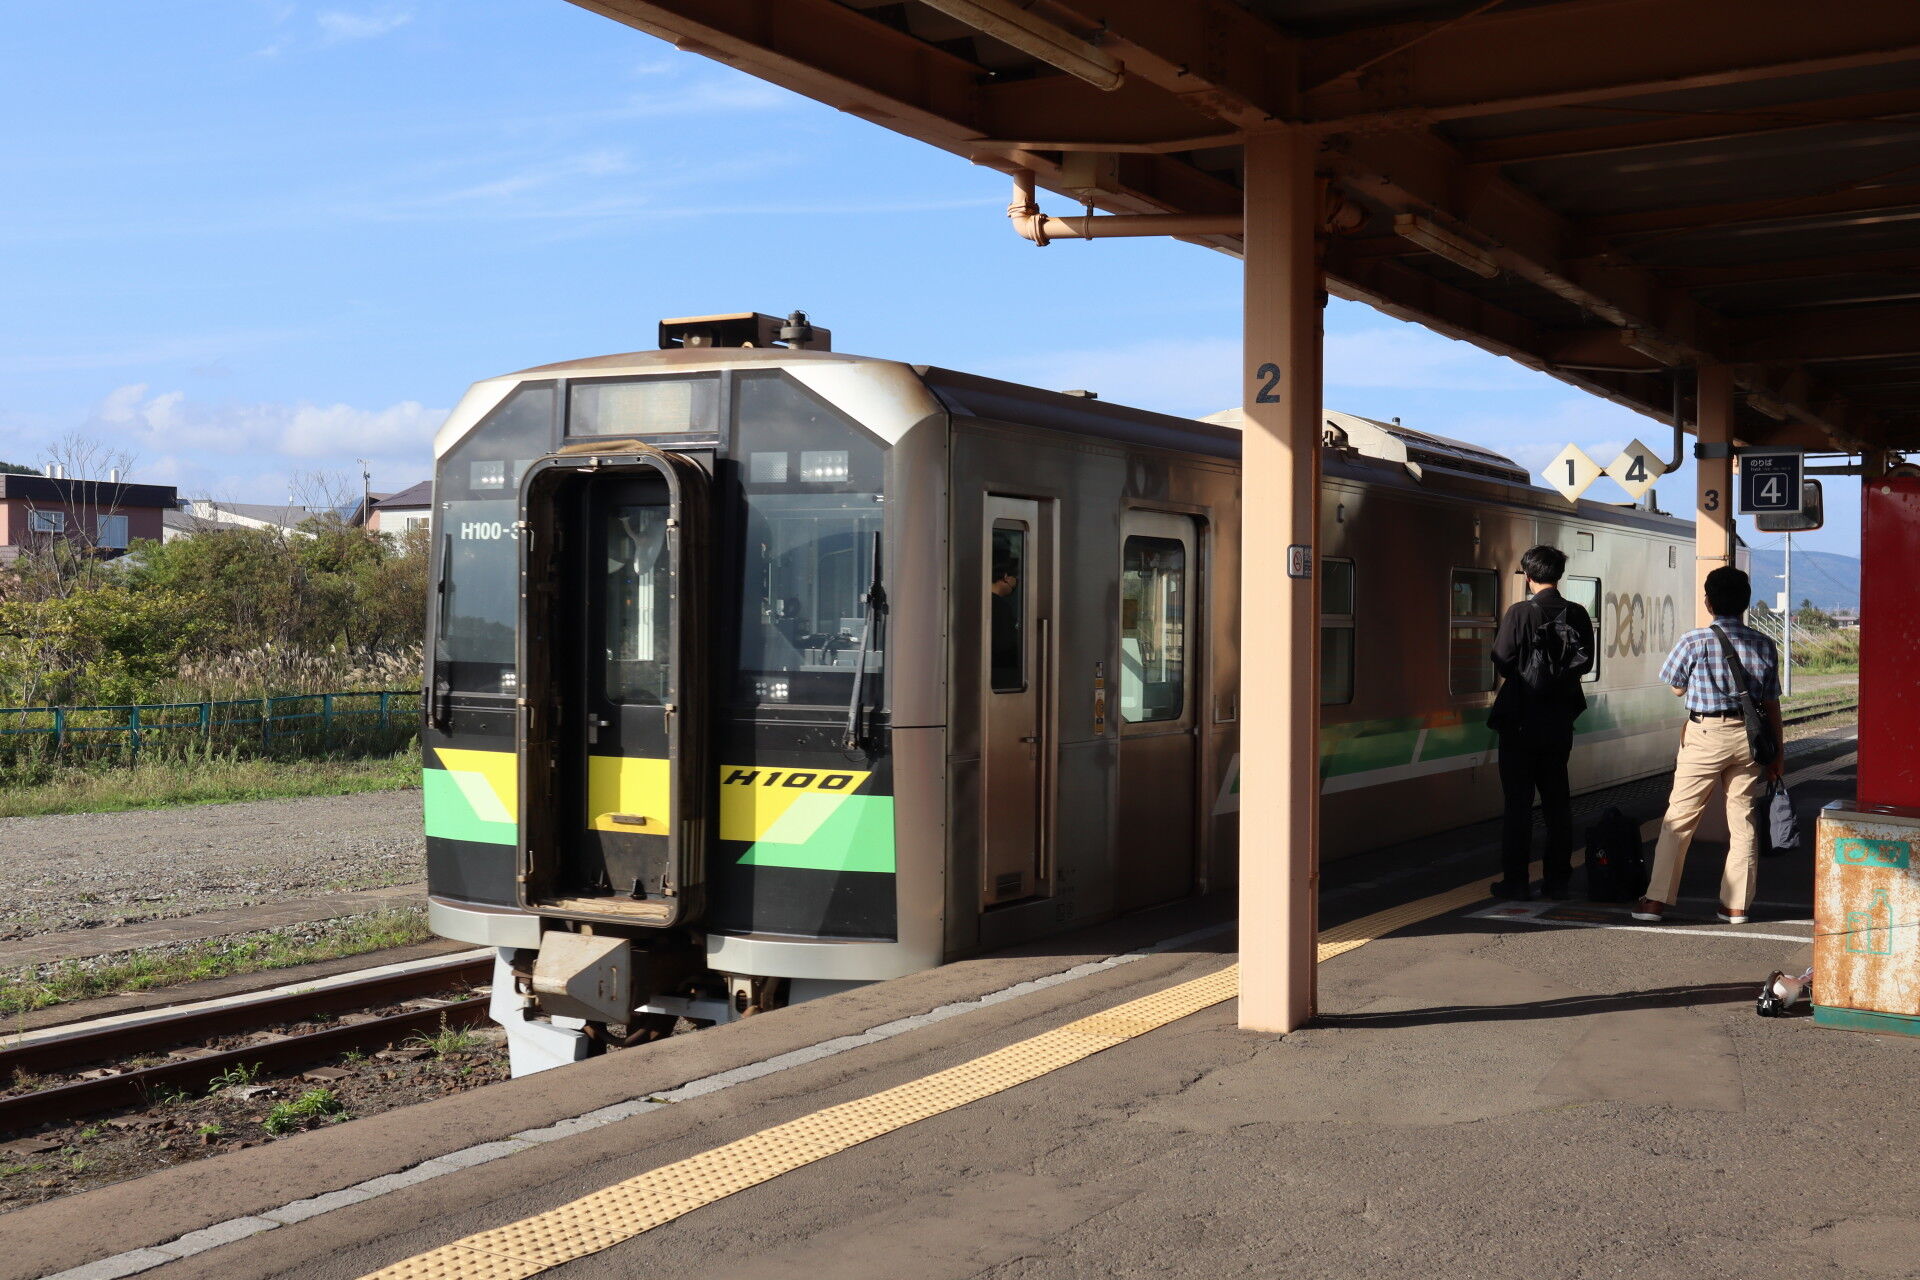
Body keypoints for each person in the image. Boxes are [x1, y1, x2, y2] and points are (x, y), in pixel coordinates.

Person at [1636, 565, 1784, 925]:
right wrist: (1778, 754)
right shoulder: (1764, 644)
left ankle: (1655, 902)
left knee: (1679, 819)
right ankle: (1736, 906)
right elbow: (1771, 705)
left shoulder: (1694, 641)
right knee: (1743, 821)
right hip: (1749, 739)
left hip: (1705, 735)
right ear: (1745, 603)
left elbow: (1676, 686)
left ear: (1708, 602)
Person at [1487, 544, 1595, 900]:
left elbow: (1503, 660)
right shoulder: (1577, 613)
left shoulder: (1520, 613)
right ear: (1558, 575)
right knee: (1557, 803)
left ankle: (1516, 882)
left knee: (1518, 805)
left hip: (1520, 721)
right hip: (1559, 720)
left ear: (1529, 576)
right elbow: (1585, 661)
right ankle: (1557, 881)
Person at [989, 557, 1021, 687]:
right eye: (1015, 579)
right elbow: (1005, 643)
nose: (1016, 583)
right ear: (1006, 577)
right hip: (1000, 672)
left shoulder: (978, 599)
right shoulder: (1002, 607)